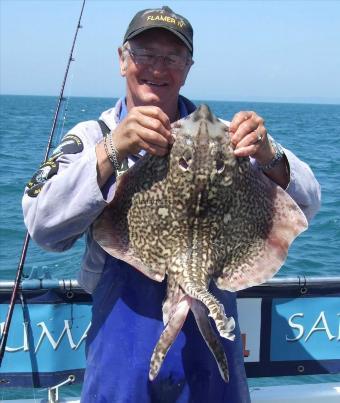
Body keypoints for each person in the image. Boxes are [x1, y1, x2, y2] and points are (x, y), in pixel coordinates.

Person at [22, 6, 321, 403]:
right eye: (145, 54)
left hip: (212, 343)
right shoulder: (94, 135)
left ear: (188, 67)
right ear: (122, 60)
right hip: (121, 340)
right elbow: (42, 225)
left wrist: (268, 154)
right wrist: (113, 149)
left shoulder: (224, 139)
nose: (158, 68)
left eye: (172, 57)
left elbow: (308, 204)